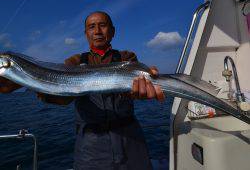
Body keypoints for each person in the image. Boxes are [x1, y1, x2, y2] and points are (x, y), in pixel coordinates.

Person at [0, 11, 165, 170]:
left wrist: (142, 90)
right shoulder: (74, 62)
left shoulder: (126, 58)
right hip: (91, 145)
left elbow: (135, 92)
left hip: (130, 138)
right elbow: (63, 98)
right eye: (92, 27)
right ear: (86, 33)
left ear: (112, 31)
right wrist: (26, 81)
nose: (97, 31)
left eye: (103, 25)